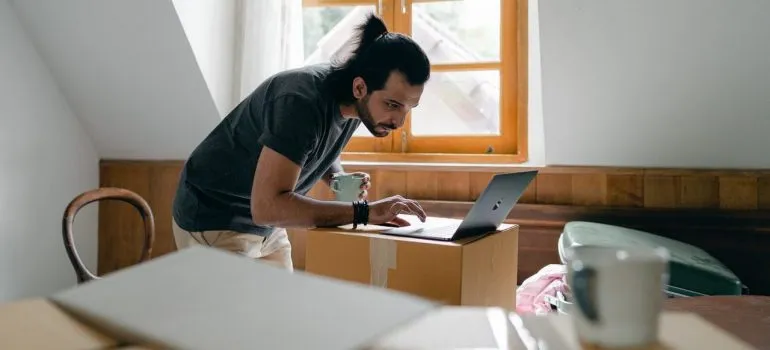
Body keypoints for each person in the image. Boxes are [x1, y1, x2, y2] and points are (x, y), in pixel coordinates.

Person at [170, 13, 431, 271]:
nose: (398, 121)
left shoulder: (355, 103)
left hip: (266, 224)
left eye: (409, 108)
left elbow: (313, 142)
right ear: (360, 88)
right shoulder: (299, 101)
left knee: (284, 311)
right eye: (392, 105)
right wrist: (363, 212)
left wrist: (336, 177)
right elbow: (267, 207)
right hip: (214, 216)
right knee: (238, 313)